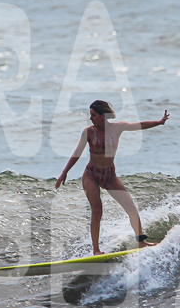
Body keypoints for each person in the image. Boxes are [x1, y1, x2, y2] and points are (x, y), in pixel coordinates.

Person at [55, 100, 169, 255]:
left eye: (93, 115)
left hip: (109, 175)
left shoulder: (117, 128)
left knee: (131, 208)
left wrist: (159, 122)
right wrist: (64, 172)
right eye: (90, 115)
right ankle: (96, 250)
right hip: (91, 175)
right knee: (97, 210)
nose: (90, 118)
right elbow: (77, 153)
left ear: (103, 115)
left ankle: (141, 242)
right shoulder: (89, 132)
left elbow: (140, 125)